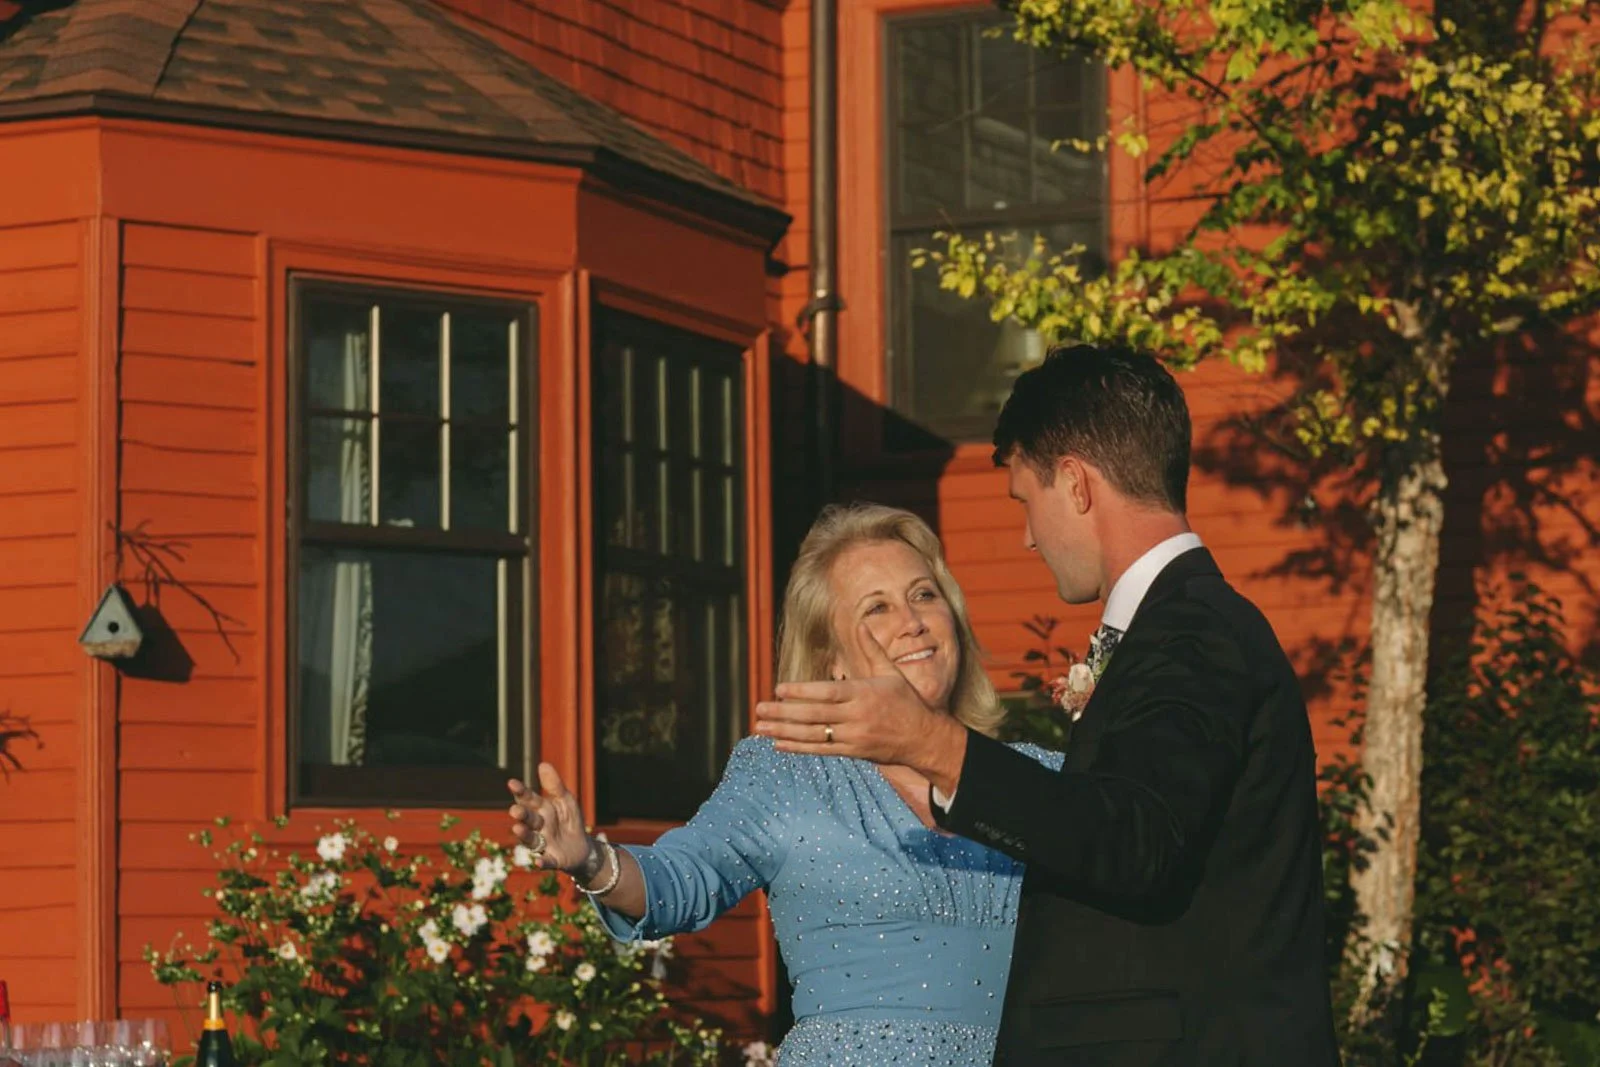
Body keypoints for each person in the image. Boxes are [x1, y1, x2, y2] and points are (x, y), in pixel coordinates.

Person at [756, 344, 1340, 1066]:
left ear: (1075, 482)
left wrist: (933, 744)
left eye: (1024, 501)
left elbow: (1134, 838)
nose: (1028, 535)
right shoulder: (1186, 626)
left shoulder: (1193, 633)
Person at [507, 503, 1061, 1065]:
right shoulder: (786, 772)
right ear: (832, 660)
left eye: (924, 595)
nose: (912, 621)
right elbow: (685, 879)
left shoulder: (1041, 775)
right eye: (877, 607)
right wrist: (591, 859)